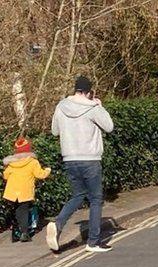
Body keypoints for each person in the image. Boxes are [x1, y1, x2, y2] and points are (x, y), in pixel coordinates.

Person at [46, 76, 114, 253]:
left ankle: (58, 222)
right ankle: (93, 242)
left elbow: (54, 131)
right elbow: (109, 126)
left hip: (70, 159)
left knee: (78, 195)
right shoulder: (92, 108)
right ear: (89, 91)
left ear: (75, 89)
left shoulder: (61, 106)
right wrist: (99, 105)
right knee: (96, 200)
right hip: (90, 159)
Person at [2, 137, 51, 242]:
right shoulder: (32, 162)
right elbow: (40, 174)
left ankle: (15, 233)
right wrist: (47, 170)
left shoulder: (11, 163)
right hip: (25, 190)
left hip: (12, 191)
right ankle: (24, 233)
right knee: (23, 210)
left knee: (16, 211)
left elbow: (5, 176)